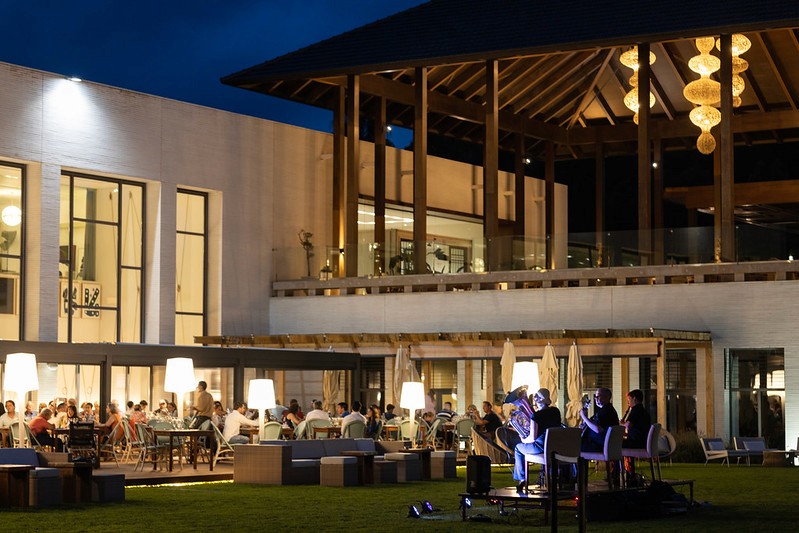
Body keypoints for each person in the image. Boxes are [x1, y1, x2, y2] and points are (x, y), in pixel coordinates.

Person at [512, 388, 562, 490]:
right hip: (554, 447)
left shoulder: (536, 416)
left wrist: (523, 439)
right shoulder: (555, 411)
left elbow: (532, 438)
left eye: (536, 397)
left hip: (540, 447)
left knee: (518, 448)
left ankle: (522, 479)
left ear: (538, 400)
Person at [621, 389, 652, 483]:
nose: (628, 402)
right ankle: (630, 474)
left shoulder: (636, 410)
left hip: (636, 443)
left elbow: (628, 425)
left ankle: (617, 475)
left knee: (614, 445)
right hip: (641, 441)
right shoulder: (643, 411)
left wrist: (621, 423)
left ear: (634, 399)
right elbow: (637, 430)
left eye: (629, 399)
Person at [580, 387, 620, 453]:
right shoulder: (608, 410)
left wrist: (584, 416)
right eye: (595, 396)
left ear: (606, 397)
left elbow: (597, 429)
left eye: (598, 396)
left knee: (572, 444)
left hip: (598, 446)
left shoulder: (606, 411)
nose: (595, 398)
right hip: (602, 445)